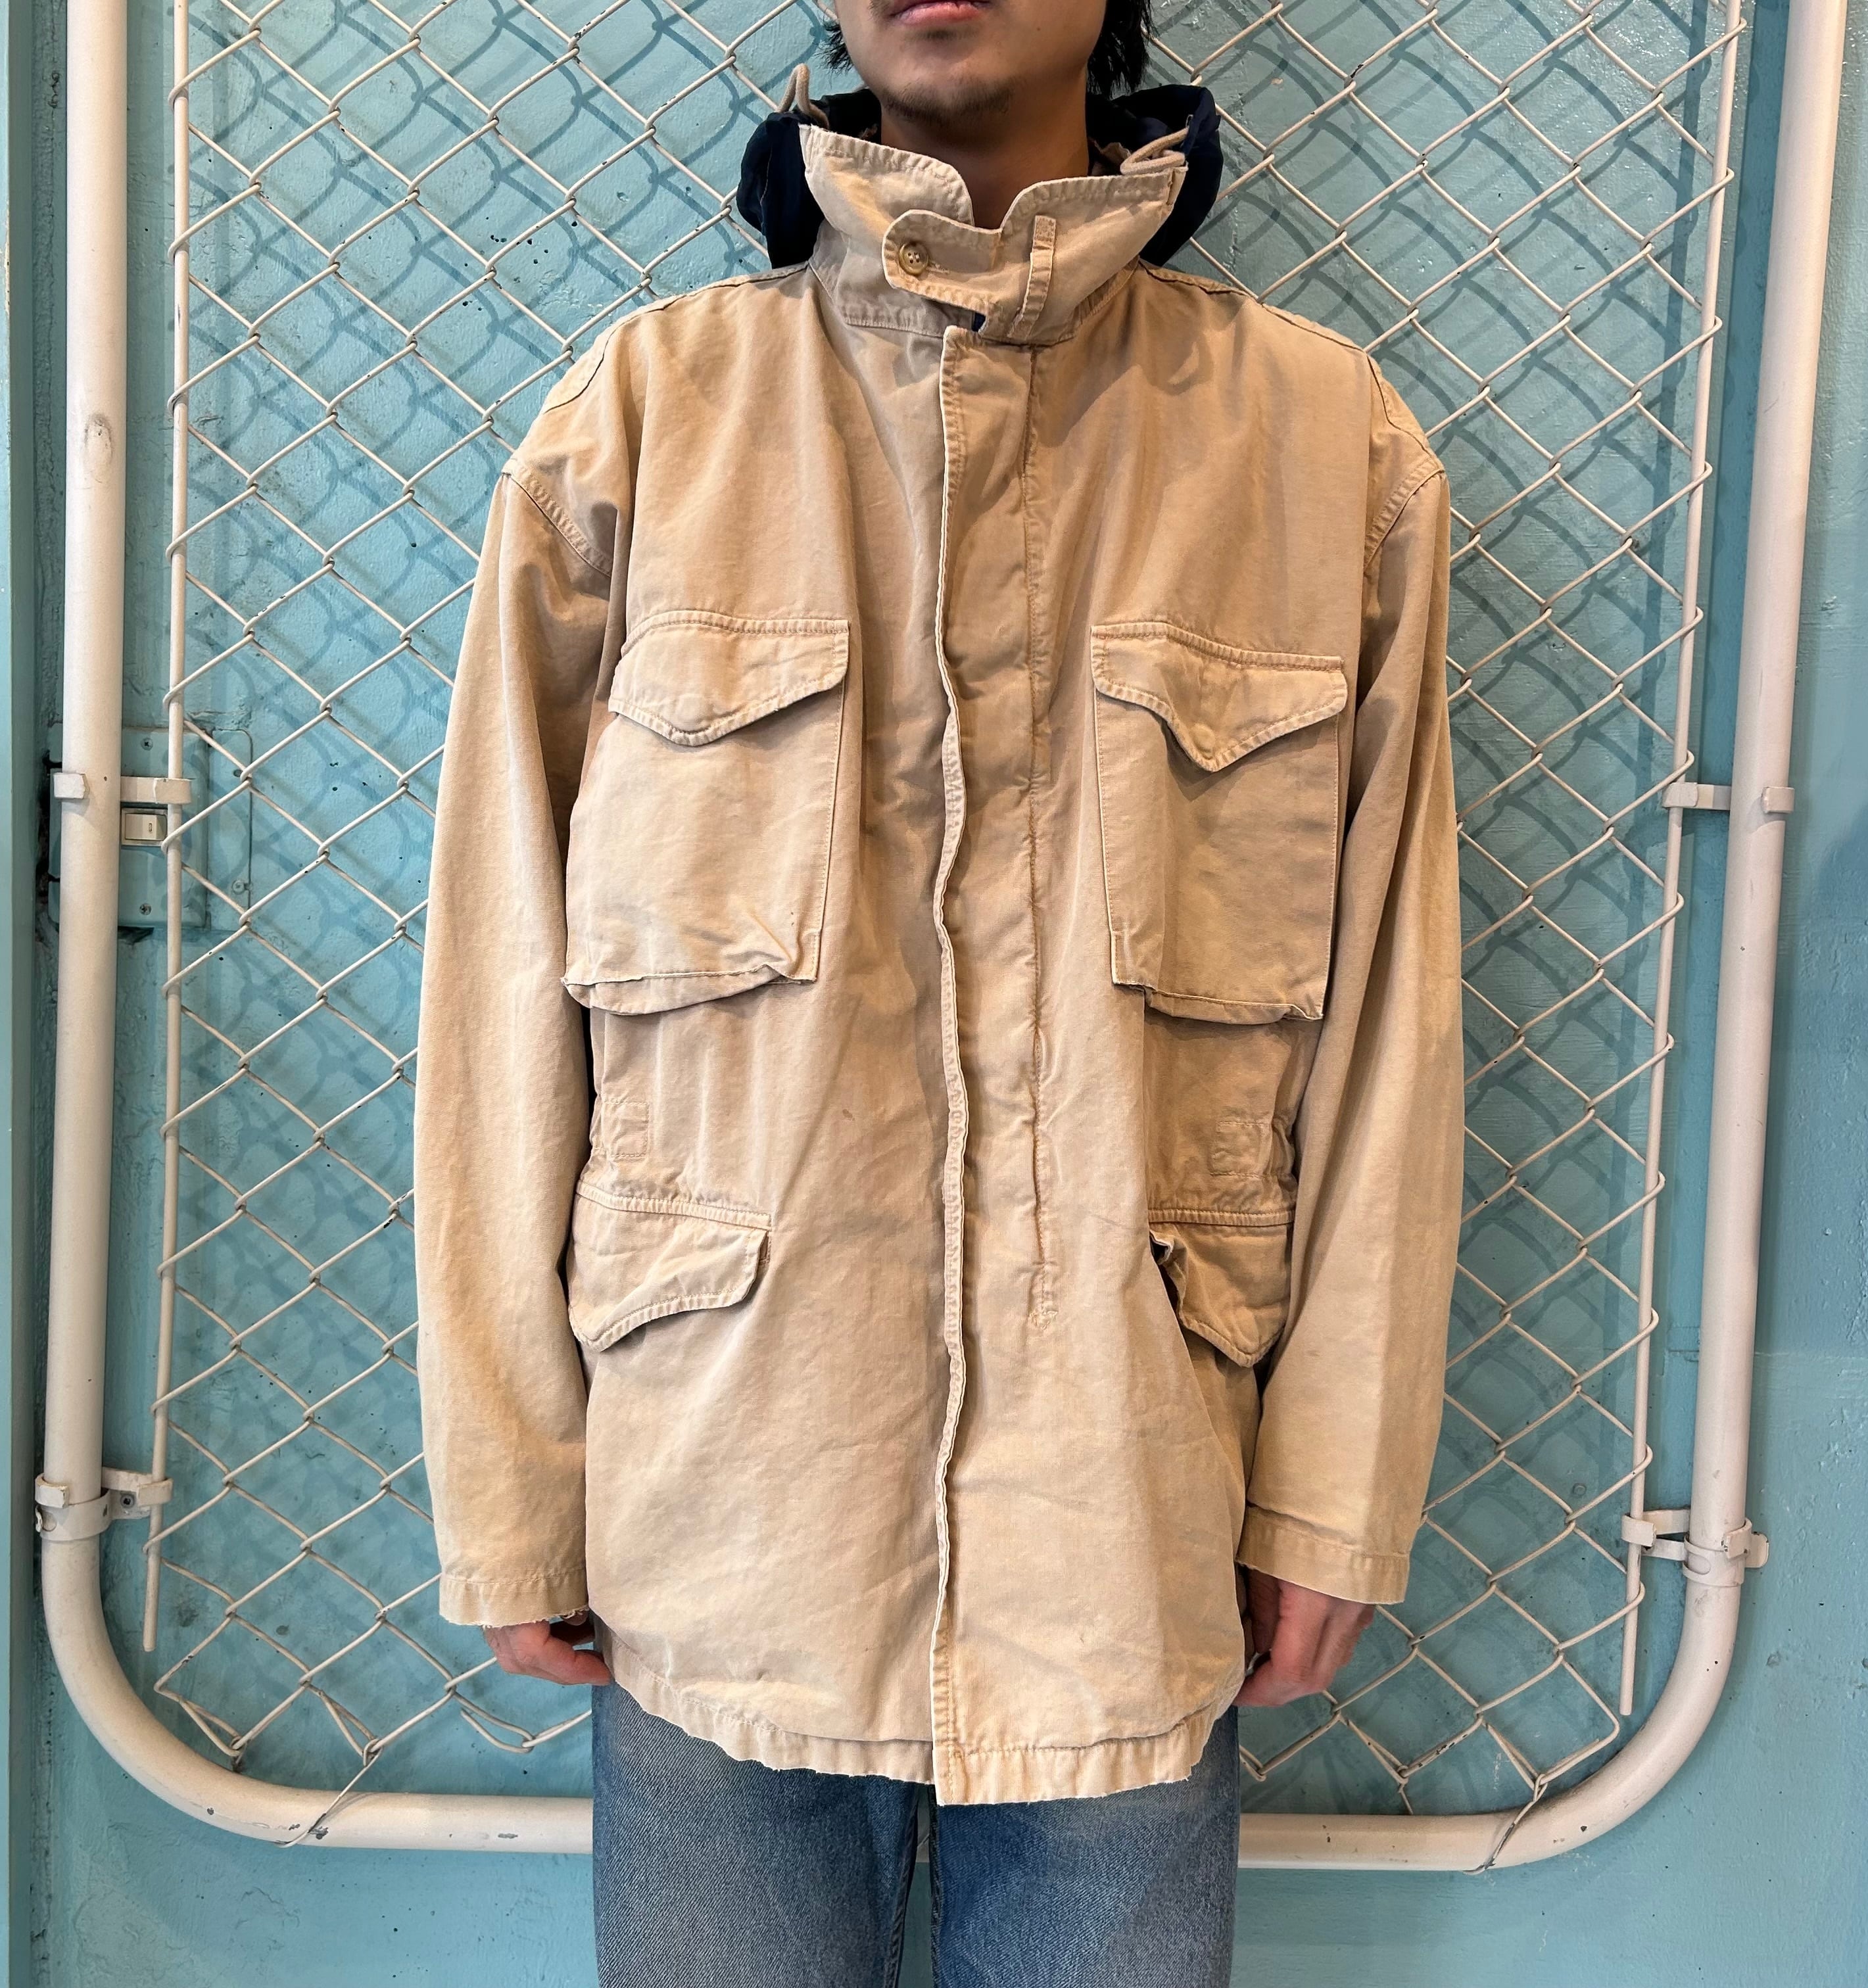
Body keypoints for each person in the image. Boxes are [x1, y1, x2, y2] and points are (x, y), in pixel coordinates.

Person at [412, 0, 1464, 1979]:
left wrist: (1336, 1491)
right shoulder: (650, 415)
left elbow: (1391, 1019)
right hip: (718, 1515)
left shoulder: (1322, 448)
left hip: (1132, 1520)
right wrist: (511, 1482)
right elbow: (497, 990)